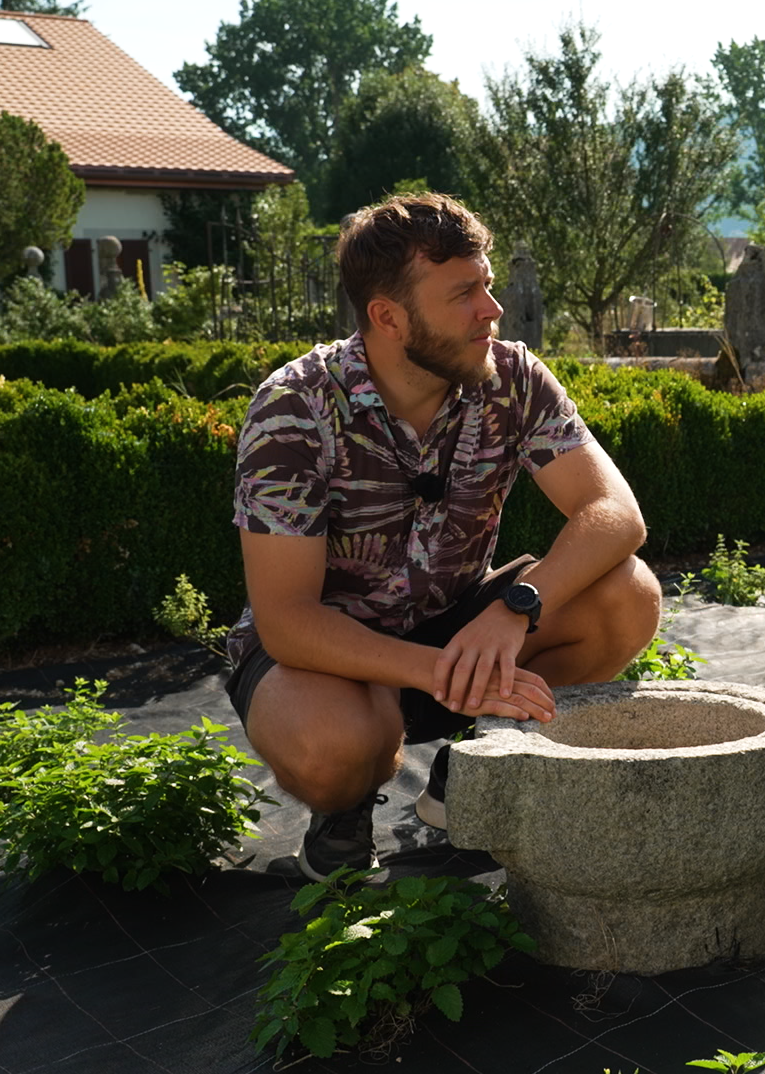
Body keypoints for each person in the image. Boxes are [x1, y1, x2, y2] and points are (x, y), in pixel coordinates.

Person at [223, 193, 661, 881]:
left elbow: (614, 511)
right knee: (333, 748)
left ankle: (478, 763)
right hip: (326, 656)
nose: (492, 309)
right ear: (388, 317)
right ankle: (344, 808)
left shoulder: (512, 379)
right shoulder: (295, 409)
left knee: (630, 593)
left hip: (459, 625)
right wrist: (441, 673)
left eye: (486, 285)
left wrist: (514, 609)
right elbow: (286, 622)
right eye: (465, 294)